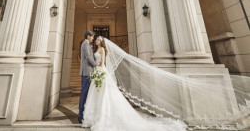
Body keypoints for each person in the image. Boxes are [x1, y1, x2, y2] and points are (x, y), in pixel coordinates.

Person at [82, 37, 250, 131]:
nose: (96, 41)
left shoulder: (103, 50)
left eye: (98, 40)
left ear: (102, 42)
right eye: (96, 39)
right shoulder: (94, 49)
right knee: (100, 96)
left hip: (101, 73)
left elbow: (102, 62)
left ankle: (106, 118)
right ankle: (96, 116)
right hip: (99, 74)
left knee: (106, 97)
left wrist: (98, 69)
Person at [78, 30, 97, 123]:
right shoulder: (86, 44)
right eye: (92, 36)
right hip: (86, 72)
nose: (93, 38)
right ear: (88, 36)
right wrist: (96, 65)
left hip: (88, 71)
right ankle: (81, 115)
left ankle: (84, 113)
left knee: (86, 92)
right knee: (84, 92)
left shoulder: (87, 44)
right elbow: (89, 57)